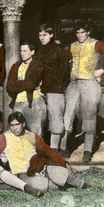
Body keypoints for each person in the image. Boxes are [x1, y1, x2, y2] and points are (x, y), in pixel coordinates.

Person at [0, 112, 103, 192]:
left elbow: (49, 151)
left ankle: (84, 184)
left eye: (17, 125)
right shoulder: (3, 138)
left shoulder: (32, 136)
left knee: (61, 173)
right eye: (12, 125)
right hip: (23, 173)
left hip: (40, 167)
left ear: (23, 124)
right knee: (42, 185)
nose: (14, 128)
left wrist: (66, 164)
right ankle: (64, 186)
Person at [60, 23, 104, 162]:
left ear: (88, 32)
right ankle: (63, 148)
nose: (80, 35)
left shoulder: (96, 44)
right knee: (67, 115)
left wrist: (102, 70)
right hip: (74, 83)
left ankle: (87, 150)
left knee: (89, 115)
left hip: (89, 82)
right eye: (77, 32)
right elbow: (64, 60)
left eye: (82, 32)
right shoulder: (73, 45)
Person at [34, 24, 70, 152]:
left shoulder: (58, 49)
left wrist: (60, 86)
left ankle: (54, 149)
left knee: (56, 118)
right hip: (41, 89)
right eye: (40, 35)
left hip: (55, 89)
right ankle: (41, 147)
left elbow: (65, 69)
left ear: (51, 35)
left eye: (44, 35)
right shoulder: (38, 50)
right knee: (41, 118)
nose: (42, 38)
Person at [6, 41, 46, 137]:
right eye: (21, 51)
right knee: (16, 131)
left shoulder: (37, 65)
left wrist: (17, 84)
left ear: (32, 52)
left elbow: (31, 84)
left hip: (33, 102)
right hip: (18, 102)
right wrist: (24, 84)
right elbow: (9, 87)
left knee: (35, 132)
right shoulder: (16, 66)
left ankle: (37, 152)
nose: (22, 53)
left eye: (25, 51)